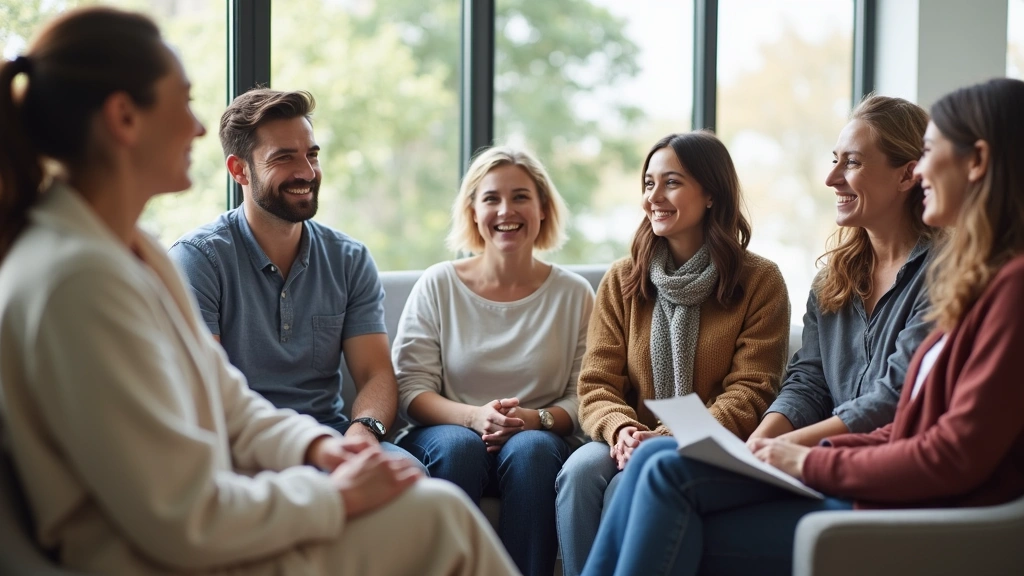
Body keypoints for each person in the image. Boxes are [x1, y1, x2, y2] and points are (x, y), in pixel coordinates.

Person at [0, 8, 517, 575]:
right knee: (440, 518)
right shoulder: (78, 281)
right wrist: (336, 496)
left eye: (310, 153)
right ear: (124, 117)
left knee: (434, 508)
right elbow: (183, 518)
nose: (198, 126)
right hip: (155, 556)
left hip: (209, 521)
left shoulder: (135, 251)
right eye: (185, 100)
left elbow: (227, 398)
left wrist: (324, 448)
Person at [581, 78, 1024, 576]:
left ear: (977, 161)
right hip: (866, 475)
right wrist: (768, 448)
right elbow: (829, 390)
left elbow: (921, 431)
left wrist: (803, 456)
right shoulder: (946, 281)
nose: (922, 169)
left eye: (929, 152)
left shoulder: (988, 287)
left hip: (906, 505)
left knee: (664, 476)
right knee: (652, 464)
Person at [556, 131, 791, 576]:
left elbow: (752, 391)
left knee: (626, 484)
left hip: (706, 444)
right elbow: (596, 383)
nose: (654, 197)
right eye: (648, 184)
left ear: (710, 193)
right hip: (622, 439)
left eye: (671, 182)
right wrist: (621, 428)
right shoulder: (622, 279)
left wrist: (667, 436)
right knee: (579, 473)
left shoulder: (760, 281)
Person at [168, 89, 421, 468]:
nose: (306, 171)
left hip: (333, 437)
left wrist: (363, 433)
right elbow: (207, 390)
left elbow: (375, 374)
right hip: (245, 446)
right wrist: (304, 450)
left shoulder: (349, 258)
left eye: (312, 154)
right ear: (239, 170)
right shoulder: (197, 259)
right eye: (284, 157)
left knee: (411, 475)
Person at [392, 146, 594, 576]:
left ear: (542, 207)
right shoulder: (438, 284)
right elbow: (411, 389)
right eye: (491, 198)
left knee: (534, 450)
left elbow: (585, 396)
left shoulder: (574, 294)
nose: (507, 210)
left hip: (537, 435)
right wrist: (472, 417)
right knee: (459, 446)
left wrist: (531, 418)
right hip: (446, 432)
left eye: (521, 196)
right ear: (472, 210)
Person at [748, 95, 939, 447]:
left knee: (663, 470)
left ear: (907, 175)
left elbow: (897, 395)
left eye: (852, 163)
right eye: (835, 160)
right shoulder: (831, 280)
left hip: (873, 466)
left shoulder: (944, 274)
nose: (831, 178)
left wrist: (783, 450)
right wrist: (755, 446)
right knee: (656, 458)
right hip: (815, 457)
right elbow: (809, 382)